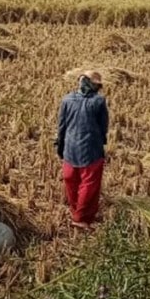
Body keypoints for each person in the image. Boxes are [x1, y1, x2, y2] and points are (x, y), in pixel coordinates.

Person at [55, 70, 109, 230]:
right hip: (91, 149)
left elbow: (61, 125)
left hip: (70, 148)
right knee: (89, 184)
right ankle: (81, 218)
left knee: (71, 181)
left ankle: (75, 211)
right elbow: (103, 126)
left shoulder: (67, 99)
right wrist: (102, 142)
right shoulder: (99, 101)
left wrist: (60, 145)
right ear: (93, 85)